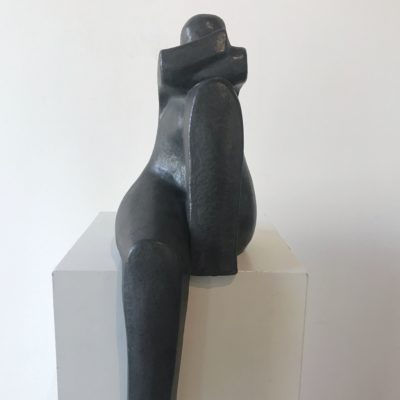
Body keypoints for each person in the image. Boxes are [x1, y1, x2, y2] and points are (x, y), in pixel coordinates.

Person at [115, 14, 256, 400]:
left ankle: (212, 246)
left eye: (215, 39)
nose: (211, 47)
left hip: (227, 206)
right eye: (197, 42)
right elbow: (171, 65)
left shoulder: (220, 89)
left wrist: (219, 64)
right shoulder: (171, 83)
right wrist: (222, 53)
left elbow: (231, 65)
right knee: (150, 256)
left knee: (213, 96)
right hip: (160, 181)